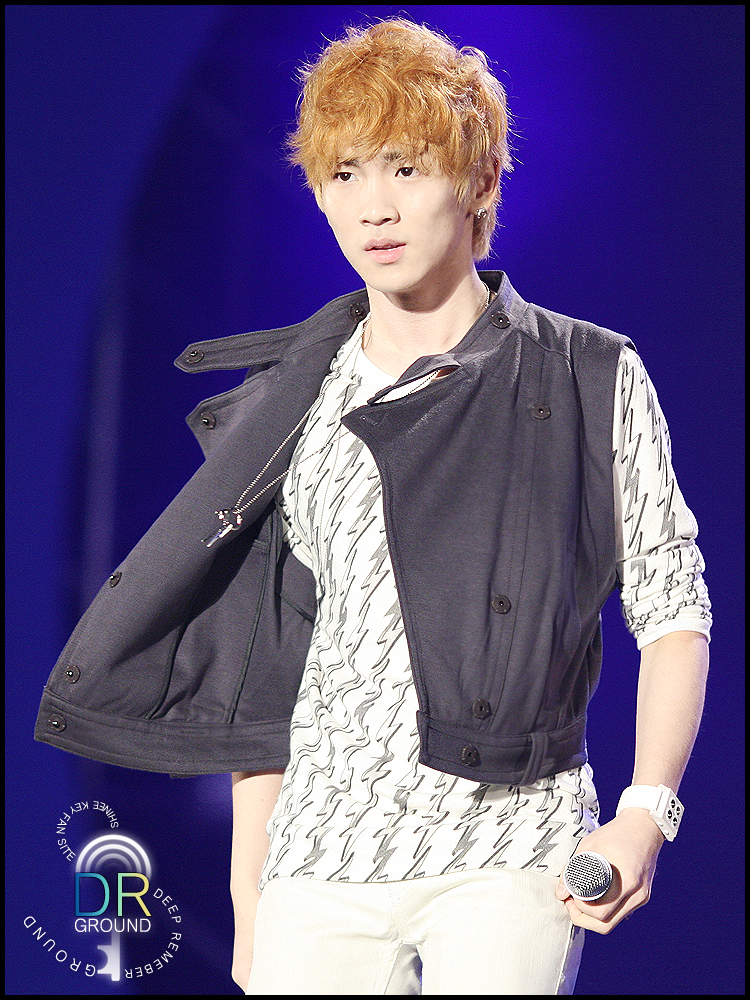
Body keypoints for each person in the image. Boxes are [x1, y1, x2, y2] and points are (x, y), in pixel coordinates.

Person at [36, 18, 711, 996]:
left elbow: (672, 606)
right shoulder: (292, 402)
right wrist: (251, 895)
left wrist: (648, 812)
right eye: (344, 174)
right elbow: (272, 672)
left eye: (404, 167)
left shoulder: (588, 373)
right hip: (320, 857)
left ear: (478, 180)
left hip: (509, 844)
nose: (373, 206)